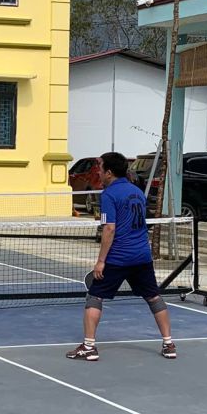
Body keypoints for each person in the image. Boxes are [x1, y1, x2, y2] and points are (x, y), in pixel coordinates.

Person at [66, 151, 176, 362]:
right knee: (153, 297)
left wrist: (101, 261)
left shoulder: (109, 195)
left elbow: (109, 228)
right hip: (142, 256)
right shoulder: (137, 192)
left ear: (109, 172)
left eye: (100, 169)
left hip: (118, 257)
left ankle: (88, 347)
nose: (98, 172)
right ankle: (168, 344)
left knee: (94, 297)